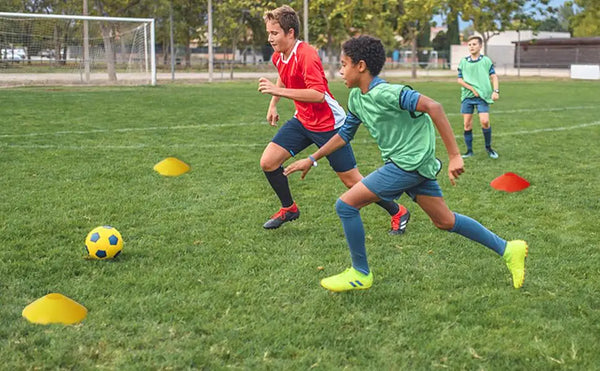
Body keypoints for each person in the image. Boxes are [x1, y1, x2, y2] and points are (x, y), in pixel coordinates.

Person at [284, 35, 528, 292]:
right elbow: (344, 135)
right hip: (412, 166)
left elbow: (434, 107)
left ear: (361, 66)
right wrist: (312, 159)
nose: (340, 71)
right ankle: (509, 249)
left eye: (344, 64)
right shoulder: (356, 98)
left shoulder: (390, 93)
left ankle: (360, 272)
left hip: (407, 165)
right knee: (445, 221)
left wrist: (455, 155)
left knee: (346, 205)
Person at [257, 5, 409, 234]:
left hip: (330, 125)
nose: (270, 38)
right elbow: (283, 75)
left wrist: (277, 93)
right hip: (303, 121)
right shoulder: (279, 55)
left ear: (290, 33)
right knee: (268, 162)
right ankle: (289, 208)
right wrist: (273, 104)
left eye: (274, 33)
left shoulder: (307, 55)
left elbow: (318, 95)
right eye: (268, 33)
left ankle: (398, 211)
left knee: (352, 182)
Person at [457, 35, 500, 159]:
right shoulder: (463, 61)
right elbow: (459, 80)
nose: (471, 47)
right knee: (467, 124)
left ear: (480, 46)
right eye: (469, 45)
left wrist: (495, 91)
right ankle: (469, 151)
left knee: (485, 121)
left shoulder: (486, 61)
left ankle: (489, 148)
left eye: (474, 44)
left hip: (483, 96)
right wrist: (472, 89)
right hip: (467, 97)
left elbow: (494, 77)